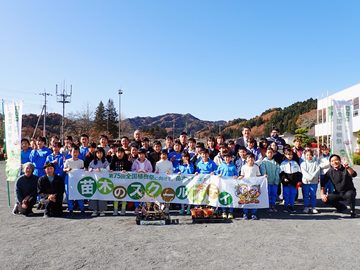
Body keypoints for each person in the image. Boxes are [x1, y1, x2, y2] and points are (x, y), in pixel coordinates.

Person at [109, 147, 132, 215]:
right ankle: (115, 209)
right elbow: (110, 168)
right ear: (115, 153)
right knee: (115, 195)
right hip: (115, 181)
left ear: (123, 153)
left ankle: (123, 209)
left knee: (124, 194)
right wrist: (111, 170)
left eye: (121, 152)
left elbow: (129, 169)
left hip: (124, 181)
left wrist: (126, 170)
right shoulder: (113, 159)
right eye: (118, 152)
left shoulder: (126, 160)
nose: (119, 154)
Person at [238, 153, 261, 220]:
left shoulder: (256, 167)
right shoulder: (244, 167)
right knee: (246, 199)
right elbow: (242, 175)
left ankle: (254, 213)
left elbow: (258, 176)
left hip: (254, 187)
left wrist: (263, 177)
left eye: (252, 158)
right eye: (249, 158)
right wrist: (240, 177)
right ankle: (245, 213)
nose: (250, 159)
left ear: (254, 159)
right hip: (246, 187)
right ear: (246, 159)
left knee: (253, 199)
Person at [63, 146, 85, 216]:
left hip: (78, 179)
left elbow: (82, 170)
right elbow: (64, 169)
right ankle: (70, 209)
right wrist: (67, 169)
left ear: (79, 153)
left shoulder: (81, 161)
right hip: (69, 179)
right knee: (69, 194)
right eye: (73, 152)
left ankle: (82, 209)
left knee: (79, 192)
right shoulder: (67, 161)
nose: (75, 153)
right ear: (70, 153)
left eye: (76, 152)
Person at [216, 151, 238, 219]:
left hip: (231, 185)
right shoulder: (221, 165)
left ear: (231, 158)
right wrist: (218, 175)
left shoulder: (233, 166)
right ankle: (224, 211)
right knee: (223, 196)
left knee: (231, 197)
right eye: (225, 157)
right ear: (223, 158)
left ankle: (231, 212)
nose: (227, 159)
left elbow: (236, 174)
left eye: (228, 157)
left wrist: (236, 176)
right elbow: (217, 173)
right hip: (223, 185)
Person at [88, 147, 110, 217]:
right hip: (94, 181)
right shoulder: (92, 162)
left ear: (103, 153)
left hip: (102, 182)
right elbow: (89, 168)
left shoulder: (105, 162)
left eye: (101, 153)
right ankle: (94, 210)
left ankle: (102, 210)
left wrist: (101, 169)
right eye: (97, 153)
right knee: (94, 196)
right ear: (95, 154)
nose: (99, 154)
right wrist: (90, 169)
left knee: (102, 196)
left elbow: (108, 170)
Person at [280, 149, 302, 213]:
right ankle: (286, 206)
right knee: (286, 194)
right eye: (288, 154)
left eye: (291, 155)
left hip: (294, 182)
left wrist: (299, 180)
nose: (290, 156)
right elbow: (281, 173)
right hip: (286, 182)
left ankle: (292, 206)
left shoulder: (295, 163)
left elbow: (299, 172)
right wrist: (284, 178)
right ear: (285, 155)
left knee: (293, 194)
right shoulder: (283, 163)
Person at [260, 147, 281, 212]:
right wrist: (265, 177)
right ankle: (268, 205)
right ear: (266, 153)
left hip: (274, 181)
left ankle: (273, 205)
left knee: (274, 193)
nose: (270, 154)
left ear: (273, 153)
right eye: (268, 153)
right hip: (267, 182)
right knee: (268, 194)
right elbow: (263, 171)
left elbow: (278, 171)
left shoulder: (275, 162)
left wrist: (277, 180)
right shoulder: (264, 162)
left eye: (271, 153)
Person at [300, 149, 320, 214]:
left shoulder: (315, 163)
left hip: (314, 182)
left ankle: (313, 207)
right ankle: (306, 207)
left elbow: (317, 171)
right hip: (305, 182)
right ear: (305, 156)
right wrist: (309, 177)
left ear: (312, 155)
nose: (309, 156)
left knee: (313, 195)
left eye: (310, 155)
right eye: (307, 155)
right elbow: (304, 172)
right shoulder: (303, 164)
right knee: (305, 195)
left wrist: (311, 177)